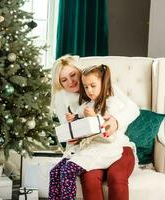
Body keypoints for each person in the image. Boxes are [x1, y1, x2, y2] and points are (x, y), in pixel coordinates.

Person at [49, 55, 139, 200]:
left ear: (80, 72)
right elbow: (70, 133)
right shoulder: (67, 100)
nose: (71, 82)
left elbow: (132, 109)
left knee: (116, 176)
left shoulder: (106, 90)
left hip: (116, 145)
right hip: (89, 149)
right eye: (64, 80)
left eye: (73, 75)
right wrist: (73, 134)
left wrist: (116, 121)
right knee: (88, 178)